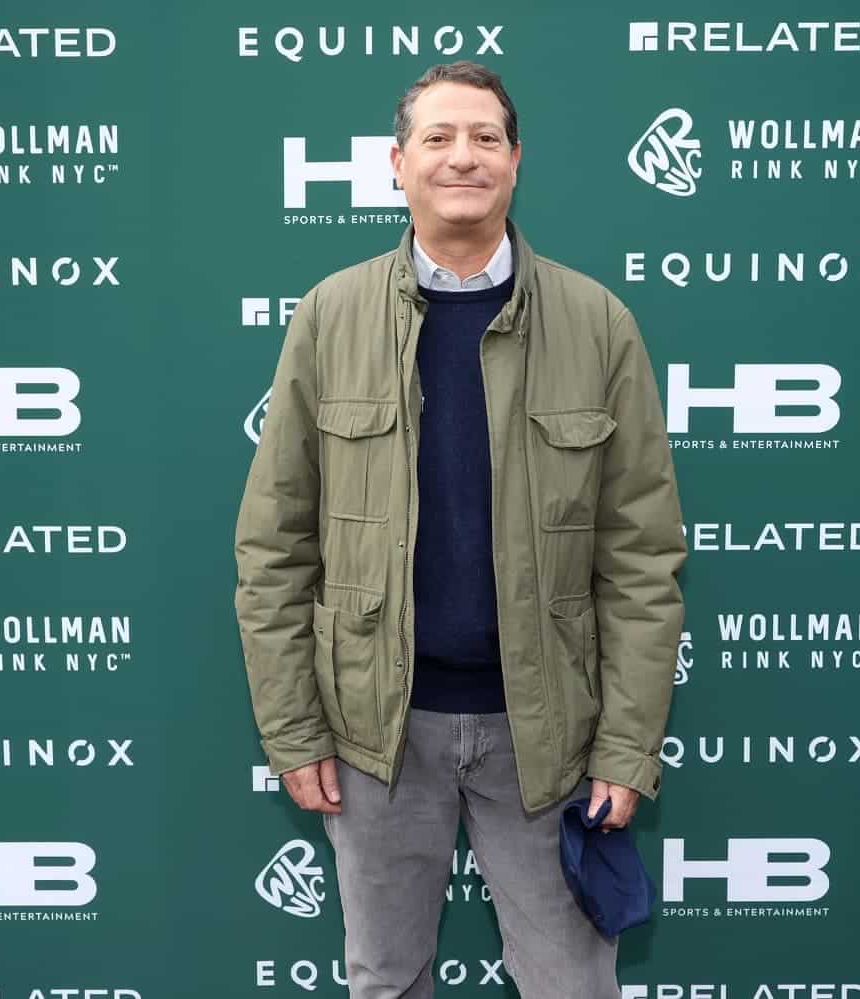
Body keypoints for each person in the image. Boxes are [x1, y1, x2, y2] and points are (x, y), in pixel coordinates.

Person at [234, 60, 686, 999]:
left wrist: (625, 746)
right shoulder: (331, 314)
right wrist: (293, 729)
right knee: (386, 981)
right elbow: (275, 545)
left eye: (484, 137)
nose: (462, 157)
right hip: (374, 734)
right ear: (397, 165)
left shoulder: (598, 322)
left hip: (548, 733)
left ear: (516, 161)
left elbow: (642, 558)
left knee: (574, 985)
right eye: (437, 138)